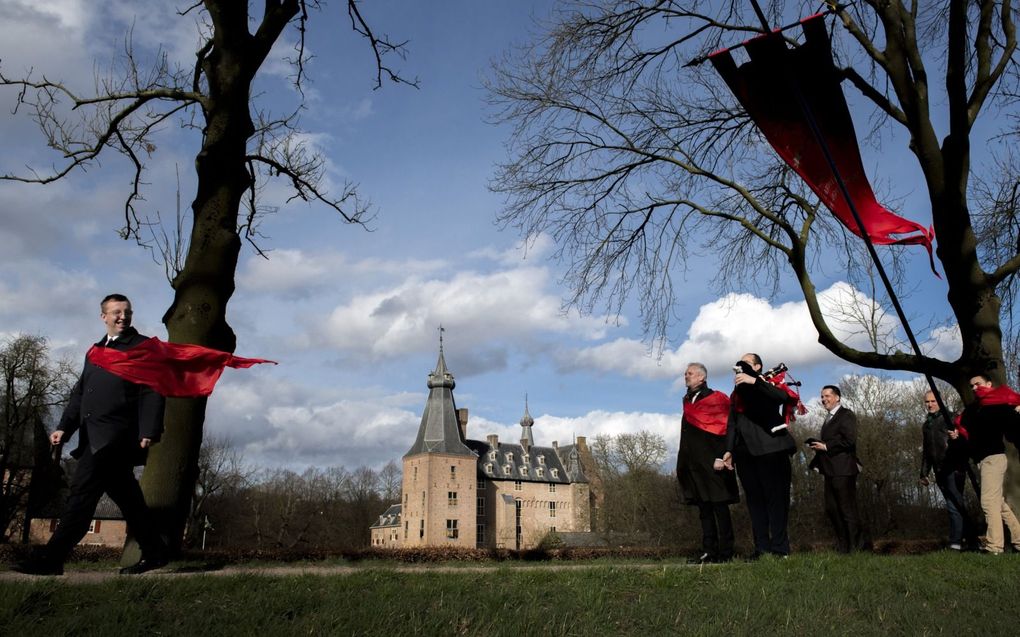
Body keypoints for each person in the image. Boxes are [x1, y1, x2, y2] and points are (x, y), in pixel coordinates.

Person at [16, 294, 169, 575]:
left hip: (115, 438)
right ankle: (156, 552)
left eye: (127, 312)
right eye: (116, 312)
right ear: (104, 317)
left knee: (81, 496)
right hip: (92, 437)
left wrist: (149, 429)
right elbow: (81, 393)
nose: (123, 317)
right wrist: (65, 426)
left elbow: (153, 388)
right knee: (129, 500)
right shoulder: (95, 351)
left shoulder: (142, 347)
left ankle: (51, 560)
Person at [721, 353, 796, 558]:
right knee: (755, 503)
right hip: (745, 454)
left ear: (757, 366)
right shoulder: (736, 394)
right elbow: (732, 424)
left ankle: (780, 549)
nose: (740, 367)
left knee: (776, 501)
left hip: (771, 450)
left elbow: (782, 398)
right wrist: (729, 450)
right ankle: (761, 549)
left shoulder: (768, 383)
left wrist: (754, 381)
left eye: (745, 363)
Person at [676, 363, 739, 563]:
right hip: (693, 463)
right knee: (704, 509)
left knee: (719, 507)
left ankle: (726, 552)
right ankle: (708, 551)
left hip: (714, 461)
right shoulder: (687, 399)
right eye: (686, 373)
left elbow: (725, 428)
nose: (686, 376)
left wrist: (723, 455)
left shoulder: (717, 399)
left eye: (690, 373)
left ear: (702, 378)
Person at [962, 374, 1020, 554]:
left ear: (989, 384)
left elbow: (1014, 429)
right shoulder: (975, 410)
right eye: (971, 386)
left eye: (977, 384)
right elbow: (966, 426)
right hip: (982, 461)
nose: (974, 388)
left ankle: (994, 546)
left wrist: (1017, 410)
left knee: (988, 502)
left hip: (994, 458)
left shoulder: (998, 405)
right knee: (998, 503)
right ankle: (1019, 540)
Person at [807, 385, 866, 553]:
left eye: (827, 396)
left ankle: (856, 547)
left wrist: (825, 446)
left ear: (837, 397)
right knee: (832, 509)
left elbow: (849, 440)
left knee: (847, 509)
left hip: (844, 470)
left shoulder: (846, 415)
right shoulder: (828, 418)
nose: (824, 399)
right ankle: (843, 546)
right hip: (830, 471)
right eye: (822, 396)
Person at [918, 391, 977, 550]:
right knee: (956, 504)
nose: (930, 404)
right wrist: (924, 472)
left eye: (933, 401)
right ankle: (971, 539)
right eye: (927, 402)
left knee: (953, 505)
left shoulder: (951, 418)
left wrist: (958, 436)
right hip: (939, 470)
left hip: (954, 467)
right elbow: (927, 450)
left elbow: (966, 437)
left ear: (940, 401)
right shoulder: (926, 425)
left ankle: (955, 543)